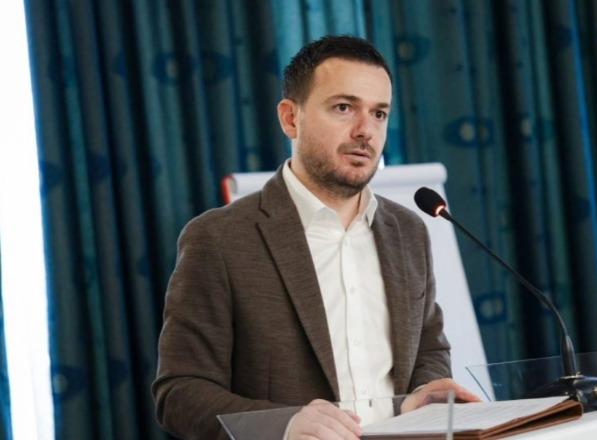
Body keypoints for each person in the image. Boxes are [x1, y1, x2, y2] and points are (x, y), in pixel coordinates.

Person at [152, 35, 478, 440]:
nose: (365, 131)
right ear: (291, 118)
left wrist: (427, 391)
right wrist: (284, 425)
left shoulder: (409, 231)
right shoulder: (219, 239)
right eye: (344, 108)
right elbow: (179, 394)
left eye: (379, 113)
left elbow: (429, 347)